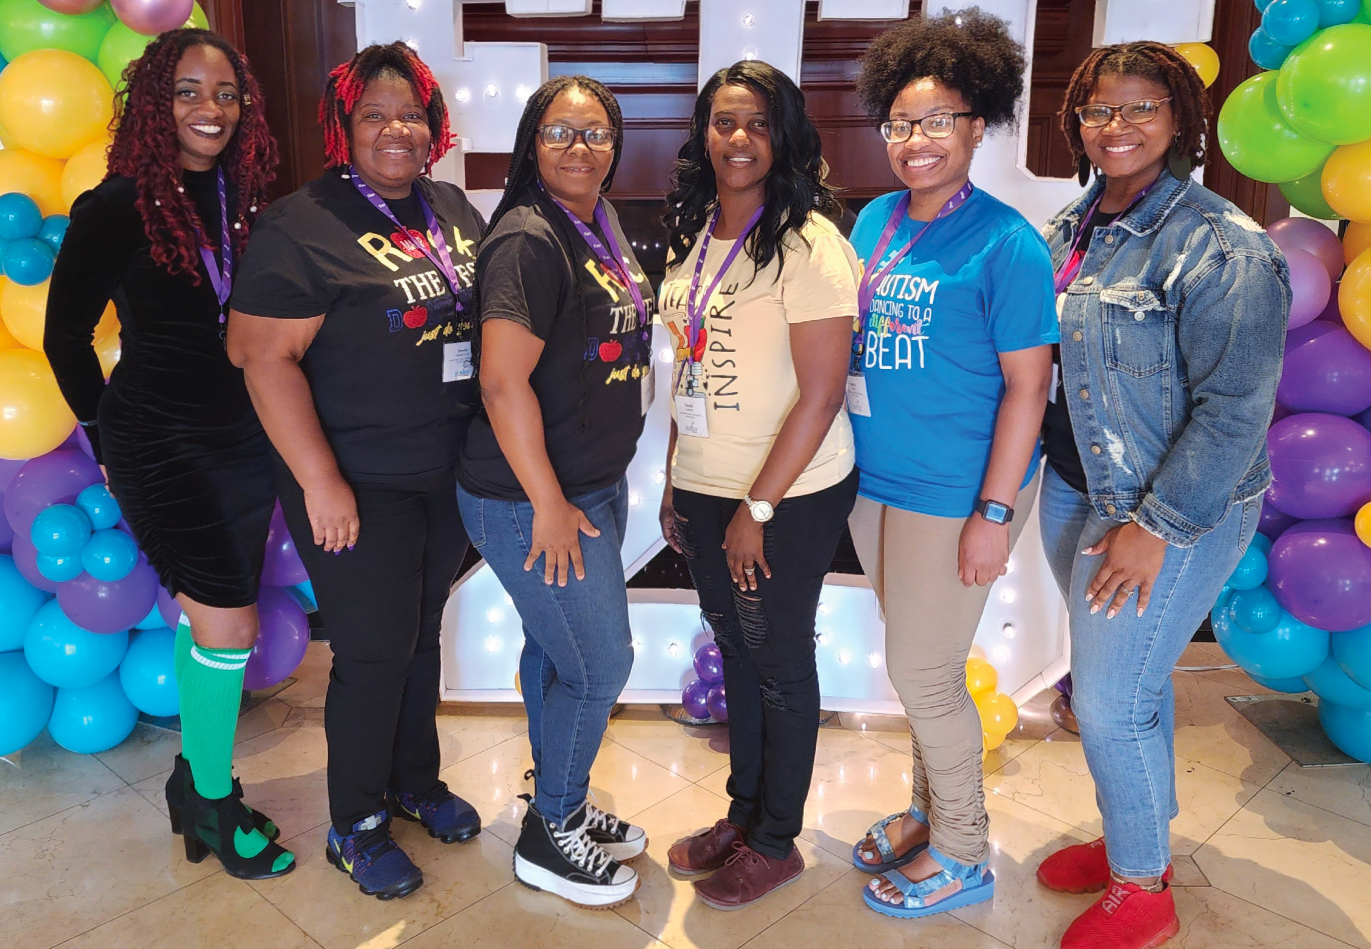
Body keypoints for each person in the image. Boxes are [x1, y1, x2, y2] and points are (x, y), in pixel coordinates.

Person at [1035, 42, 1287, 949]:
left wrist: (1156, 525)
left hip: (1169, 506)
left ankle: (1143, 887)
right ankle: (1131, 837)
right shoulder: (1071, 225)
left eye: (1141, 106)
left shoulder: (1223, 245)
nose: (1118, 125)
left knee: (1109, 699)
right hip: (1076, 486)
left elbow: (1236, 412)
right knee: (1125, 684)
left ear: (1179, 117)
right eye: (1099, 108)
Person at [226, 43, 485, 901]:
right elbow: (260, 355)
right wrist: (319, 480)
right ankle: (356, 823)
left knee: (419, 634)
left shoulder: (451, 208)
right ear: (344, 125)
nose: (394, 129)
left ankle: (414, 781)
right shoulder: (301, 224)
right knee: (373, 650)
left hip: (442, 470)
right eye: (374, 113)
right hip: (355, 477)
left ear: (433, 125)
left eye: (409, 113)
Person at [44, 29, 293, 880]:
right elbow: (65, 337)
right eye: (188, 91)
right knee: (229, 620)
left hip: (245, 440)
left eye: (225, 93)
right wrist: (103, 440)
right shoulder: (116, 206)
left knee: (211, 620)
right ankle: (214, 805)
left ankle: (195, 782)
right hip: (160, 441)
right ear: (157, 103)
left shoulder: (246, 199)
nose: (209, 109)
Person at [844, 10, 1058, 919]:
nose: (915, 140)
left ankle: (964, 849)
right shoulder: (874, 218)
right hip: (875, 481)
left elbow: (1028, 388)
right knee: (916, 662)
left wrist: (994, 513)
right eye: (899, 122)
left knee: (926, 674)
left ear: (978, 125)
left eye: (937, 120)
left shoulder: (1008, 242)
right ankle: (928, 809)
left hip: (957, 489)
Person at [657, 60, 859, 910]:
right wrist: (676, 477)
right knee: (735, 651)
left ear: (784, 137)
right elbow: (688, 366)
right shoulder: (695, 231)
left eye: (758, 124)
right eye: (723, 122)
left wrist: (758, 506)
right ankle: (742, 814)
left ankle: (776, 840)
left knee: (777, 660)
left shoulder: (810, 243)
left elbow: (820, 395)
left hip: (789, 492)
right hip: (706, 484)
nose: (738, 139)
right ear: (703, 133)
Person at [455, 75, 651, 909]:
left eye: (596, 132)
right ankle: (551, 832)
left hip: (589, 485)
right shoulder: (528, 239)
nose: (580, 147)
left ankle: (555, 795)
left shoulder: (596, 218)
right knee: (600, 664)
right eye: (561, 132)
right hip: (528, 499)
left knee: (554, 650)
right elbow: (502, 384)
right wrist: (547, 503)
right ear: (531, 142)